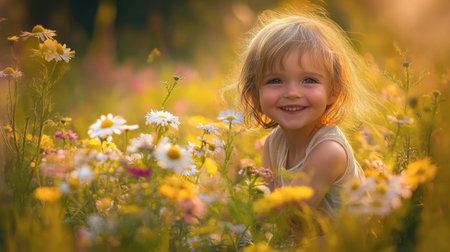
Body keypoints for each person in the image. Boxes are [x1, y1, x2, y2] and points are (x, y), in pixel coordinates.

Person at [238, 7, 376, 219]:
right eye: (275, 80)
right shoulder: (273, 145)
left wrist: (230, 207)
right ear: (255, 95)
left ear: (333, 91)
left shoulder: (329, 151)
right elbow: (276, 222)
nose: (293, 93)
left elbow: (288, 216)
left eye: (309, 80)